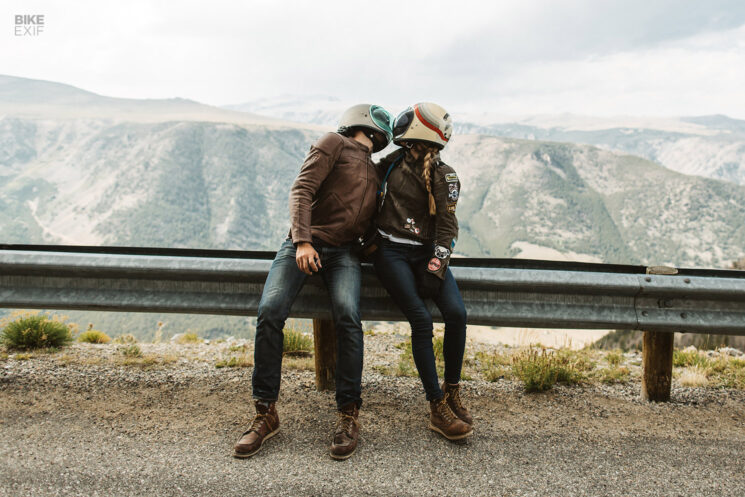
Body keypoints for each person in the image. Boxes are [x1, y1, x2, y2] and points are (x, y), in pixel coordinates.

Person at [233, 104, 394, 460]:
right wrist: (303, 241)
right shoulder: (334, 142)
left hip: (345, 253)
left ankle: (349, 414)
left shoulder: (376, 168)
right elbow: (302, 189)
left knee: (349, 319)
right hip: (302, 244)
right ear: (367, 123)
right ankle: (265, 413)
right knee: (271, 311)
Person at [372, 102, 472, 441]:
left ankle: (453, 388)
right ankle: (436, 405)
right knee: (421, 320)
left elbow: (448, 226)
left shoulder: (446, 176)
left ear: (417, 133)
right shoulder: (391, 163)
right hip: (391, 252)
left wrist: (436, 265)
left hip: (426, 253)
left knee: (457, 314)